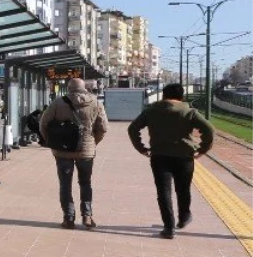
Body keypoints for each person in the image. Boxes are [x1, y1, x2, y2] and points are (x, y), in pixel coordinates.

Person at [127, 83, 214, 239]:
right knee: (183, 189)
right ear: (181, 96)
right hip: (184, 157)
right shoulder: (189, 112)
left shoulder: (151, 111)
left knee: (163, 192)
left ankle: (169, 227)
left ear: (163, 95)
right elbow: (209, 130)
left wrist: (141, 148)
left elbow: (133, 128)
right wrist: (202, 149)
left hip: (159, 156)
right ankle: (184, 217)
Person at [40, 77, 108, 229]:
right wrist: (93, 142)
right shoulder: (96, 103)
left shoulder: (58, 103)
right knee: (85, 183)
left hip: (63, 152)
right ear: (85, 88)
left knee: (65, 184)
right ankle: (87, 216)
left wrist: (52, 142)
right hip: (86, 152)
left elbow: (43, 123)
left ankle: (69, 218)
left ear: (69, 88)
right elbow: (103, 127)